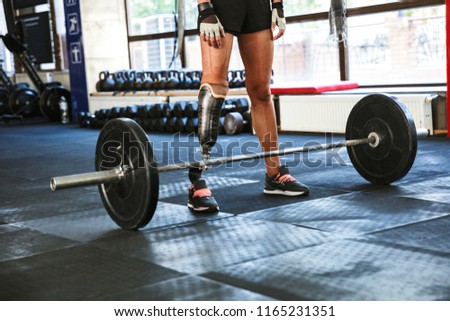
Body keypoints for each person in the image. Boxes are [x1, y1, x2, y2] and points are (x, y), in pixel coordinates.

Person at [188, 0, 310, 212]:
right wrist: (204, 7)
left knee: (261, 90)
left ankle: (275, 175)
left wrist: (278, 5)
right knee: (214, 87)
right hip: (220, 4)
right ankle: (197, 181)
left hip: (257, 4)